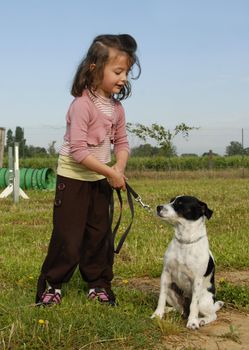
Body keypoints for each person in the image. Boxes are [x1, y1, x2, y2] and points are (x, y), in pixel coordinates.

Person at [35, 34, 141, 306]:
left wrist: (119, 166)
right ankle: (53, 284)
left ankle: (98, 283)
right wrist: (110, 172)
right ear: (94, 68)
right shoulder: (82, 106)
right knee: (68, 237)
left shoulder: (117, 109)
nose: (123, 78)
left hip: (100, 179)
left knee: (99, 235)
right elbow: (79, 152)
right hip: (72, 179)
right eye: (118, 71)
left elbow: (123, 143)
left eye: (126, 72)